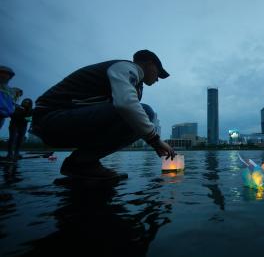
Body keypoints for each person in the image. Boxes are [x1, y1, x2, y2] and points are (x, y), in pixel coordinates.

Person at [32, 50, 176, 180]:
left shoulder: (135, 84)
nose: (158, 79)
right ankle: (82, 162)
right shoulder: (127, 68)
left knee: (138, 114)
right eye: (158, 73)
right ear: (149, 64)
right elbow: (126, 105)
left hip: (63, 121)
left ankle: (83, 162)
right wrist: (155, 140)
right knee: (144, 112)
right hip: (51, 118)